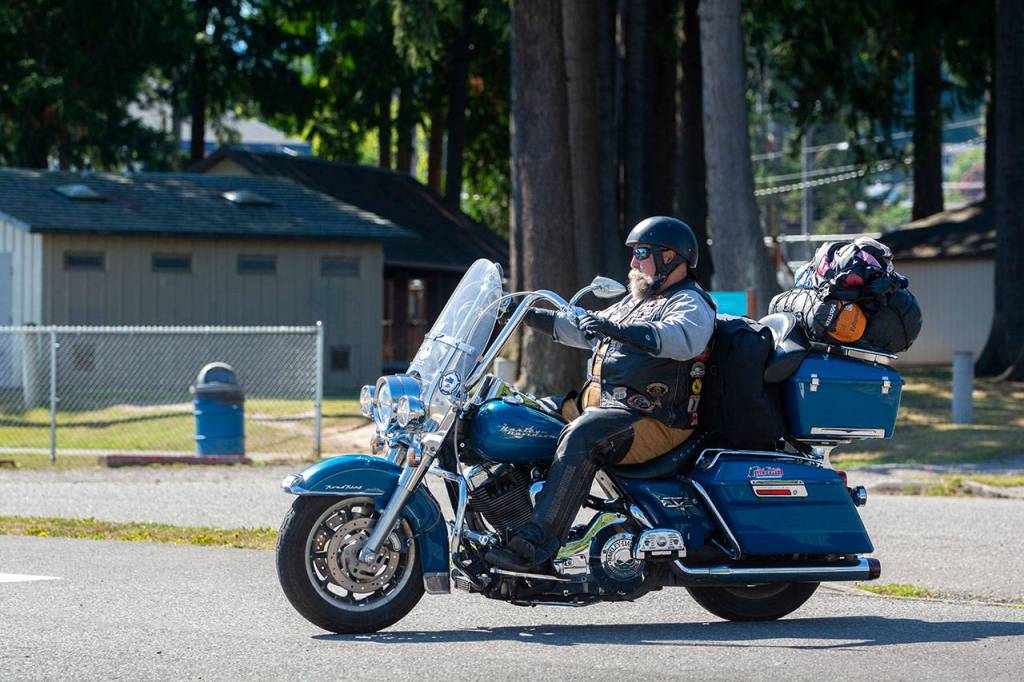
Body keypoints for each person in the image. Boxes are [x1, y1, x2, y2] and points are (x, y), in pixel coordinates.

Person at [486, 216, 717, 572]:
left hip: (655, 421)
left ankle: (536, 546)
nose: (633, 263)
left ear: (670, 256)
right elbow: (581, 327)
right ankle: (501, 522)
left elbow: (680, 338)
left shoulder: (689, 303)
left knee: (583, 436)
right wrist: (522, 313)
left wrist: (617, 328)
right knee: (513, 414)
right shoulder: (634, 302)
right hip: (606, 408)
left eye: (641, 253)